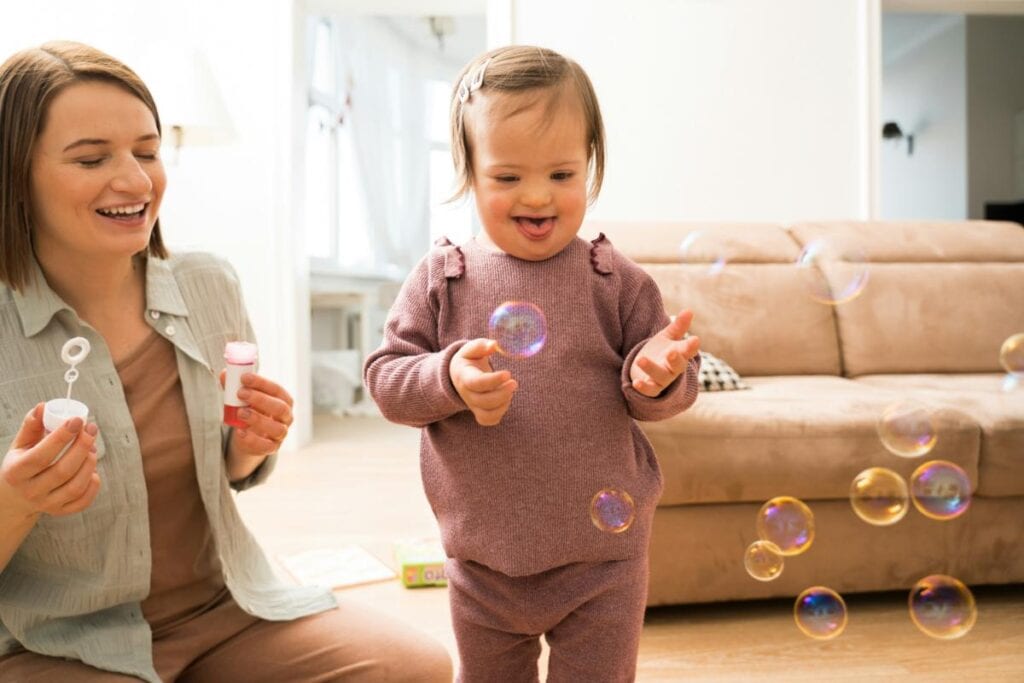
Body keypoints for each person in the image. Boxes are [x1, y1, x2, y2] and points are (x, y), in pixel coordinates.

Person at [0, 41, 451, 682]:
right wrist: (15, 500)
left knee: (418, 670)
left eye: (147, 152)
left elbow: (230, 471)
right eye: (91, 158)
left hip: (227, 612)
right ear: (15, 174)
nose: (134, 179)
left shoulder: (207, 286)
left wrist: (246, 447)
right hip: (57, 647)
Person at [364, 45, 701, 682]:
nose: (538, 196)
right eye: (508, 176)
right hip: (482, 561)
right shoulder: (444, 278)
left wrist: (658, 377)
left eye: (563, 174)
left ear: (592, 166)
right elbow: (386, 379)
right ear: (469, 171)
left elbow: (659, 389)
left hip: (604, 561)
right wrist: (448, 378)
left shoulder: (615, 280)